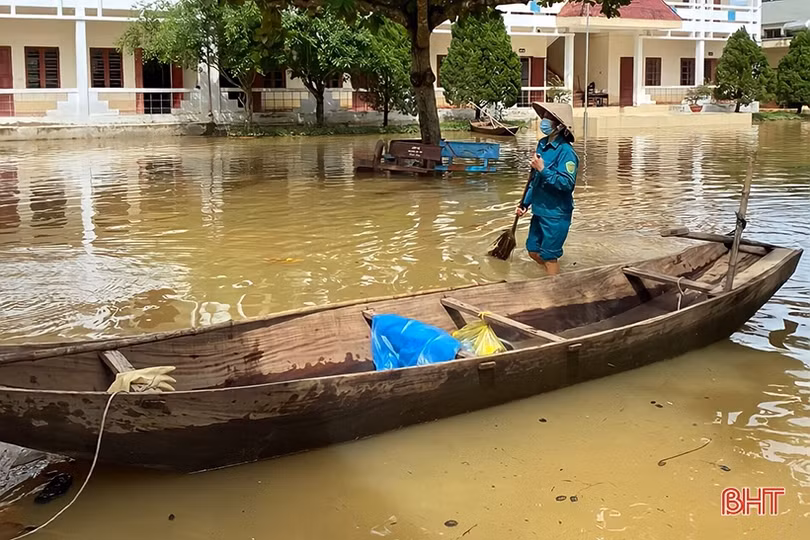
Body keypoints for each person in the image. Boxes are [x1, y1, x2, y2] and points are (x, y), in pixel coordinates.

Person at [515, 102, 579, 275]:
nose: (544, 121)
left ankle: (555, 289)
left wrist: (544, 169)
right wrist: (525, 203)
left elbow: (566, 184)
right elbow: (534, 179)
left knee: (550, 256)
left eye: (549, 118)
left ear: (559, 125)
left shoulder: (567, 152)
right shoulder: (542, 144)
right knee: (533, 250)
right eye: (544, 116)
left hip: (556, 214)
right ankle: (553, 275)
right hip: (539, 209)